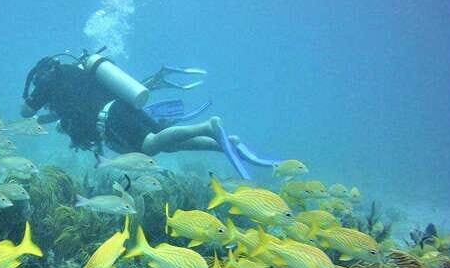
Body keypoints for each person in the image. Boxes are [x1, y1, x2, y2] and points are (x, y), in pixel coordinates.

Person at [20, 51, 278, 179]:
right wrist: (47, 119)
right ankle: (223, 144)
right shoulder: (75, 72)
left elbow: (26, 111)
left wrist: (33, 98)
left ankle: (207, 127)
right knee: (166, 144)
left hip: (109, 121)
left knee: (149, 149)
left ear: (42, 74)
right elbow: (71, 107)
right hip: (124, 107)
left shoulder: (46, 84)